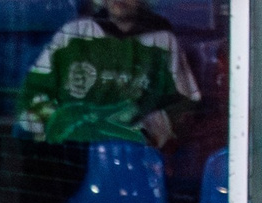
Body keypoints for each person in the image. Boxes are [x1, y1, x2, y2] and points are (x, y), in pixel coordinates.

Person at [19, 0, 202, 146]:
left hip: (133, 160)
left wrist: (146, 129)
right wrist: (60, 124)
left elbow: (184, 105)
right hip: (71, 159)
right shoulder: (72, 34)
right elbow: (30, 98)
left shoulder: (163, 41)